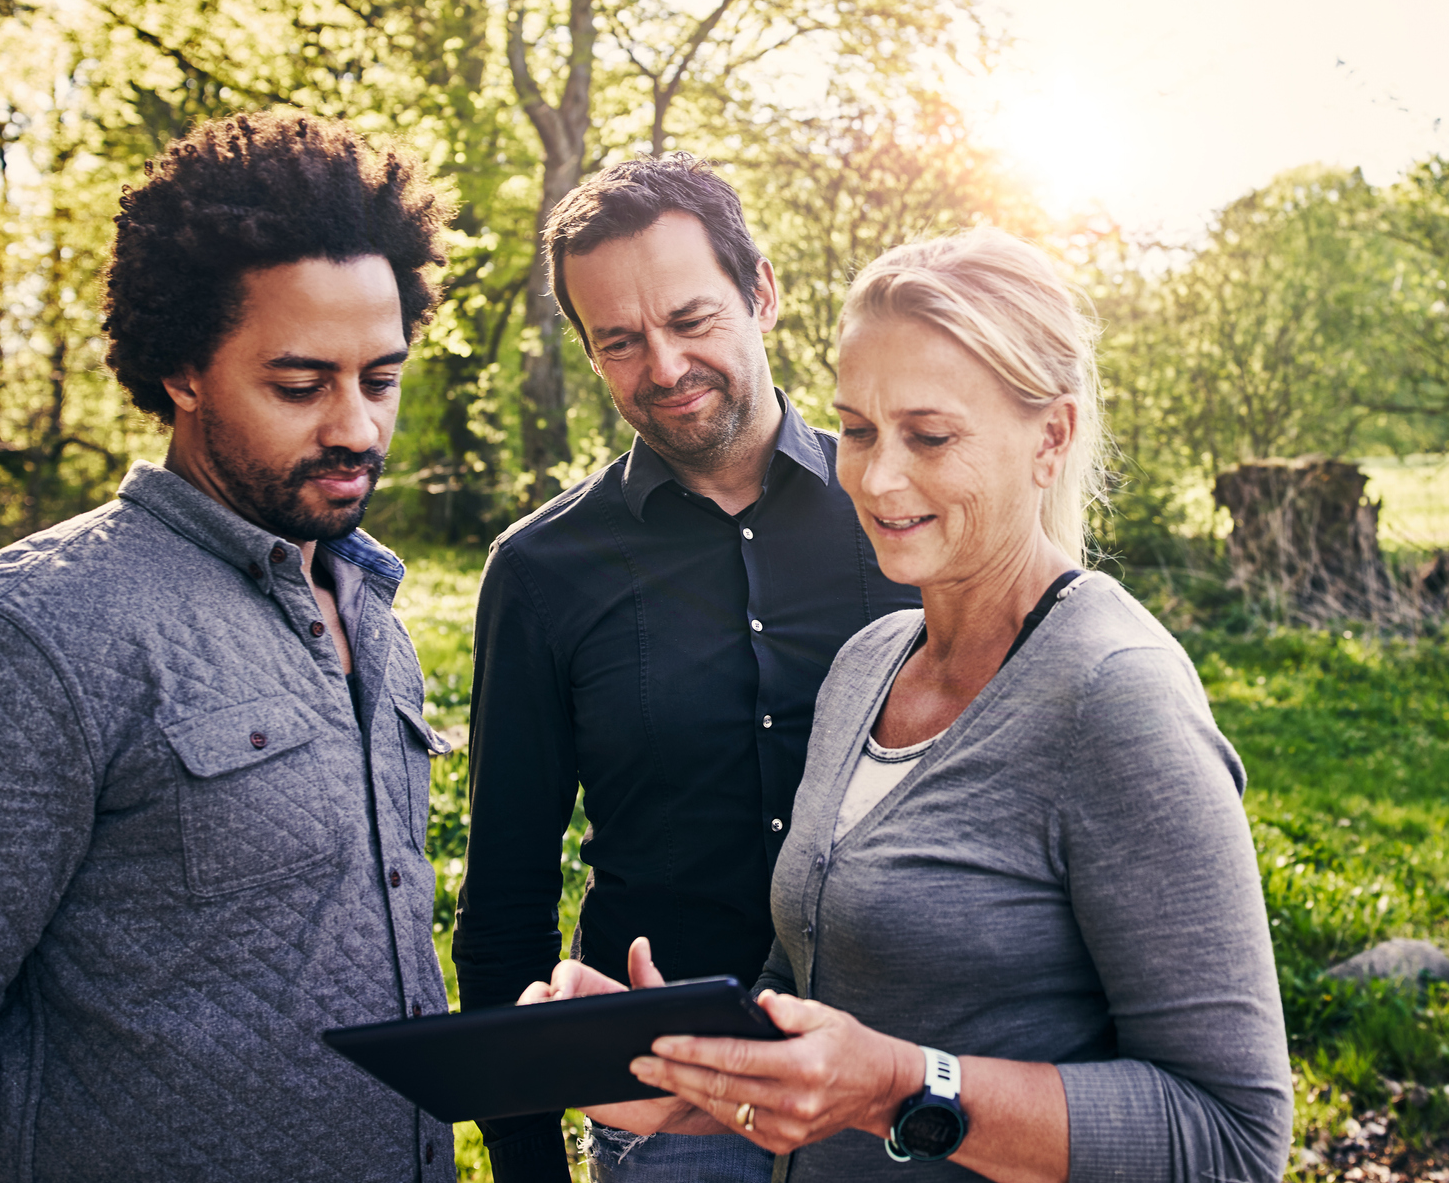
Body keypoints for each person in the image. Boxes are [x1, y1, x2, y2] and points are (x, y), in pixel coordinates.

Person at [524, 227, 1295, 1181]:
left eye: (929, 436)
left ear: (1049, 437)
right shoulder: (869, 666)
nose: (878, 479)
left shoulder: (1113, 692)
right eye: (857, 430)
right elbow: (815, 1011)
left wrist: (898, 1084)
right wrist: (692, 1071)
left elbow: (1230, 1138)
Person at [0, 112, 457, 1182]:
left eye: (381, 379)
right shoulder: (17, 637)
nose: (356, 427)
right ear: (181, 372)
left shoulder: (371, 605)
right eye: (300, 385)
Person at [452, 154, 917, 1183]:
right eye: (619, 341)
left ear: (760, 292)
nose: (661, 367)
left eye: (691, 320)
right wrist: (528, 1166)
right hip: (661, 1107)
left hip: (894, 1083)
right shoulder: (536, 574)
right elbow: (505, 902)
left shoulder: (903, 512)